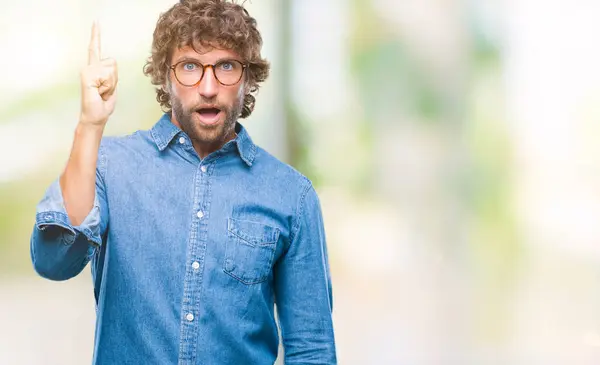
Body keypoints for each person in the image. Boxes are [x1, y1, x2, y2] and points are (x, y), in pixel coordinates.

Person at [29, 1, 337, 364]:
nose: (208, 87)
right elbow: (54, 261)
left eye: (226, 66)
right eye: (189, 66)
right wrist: (90, 125)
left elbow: (312, 349)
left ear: (248, 78)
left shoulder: (291, 196)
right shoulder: (109, 166)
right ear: (166, 75)